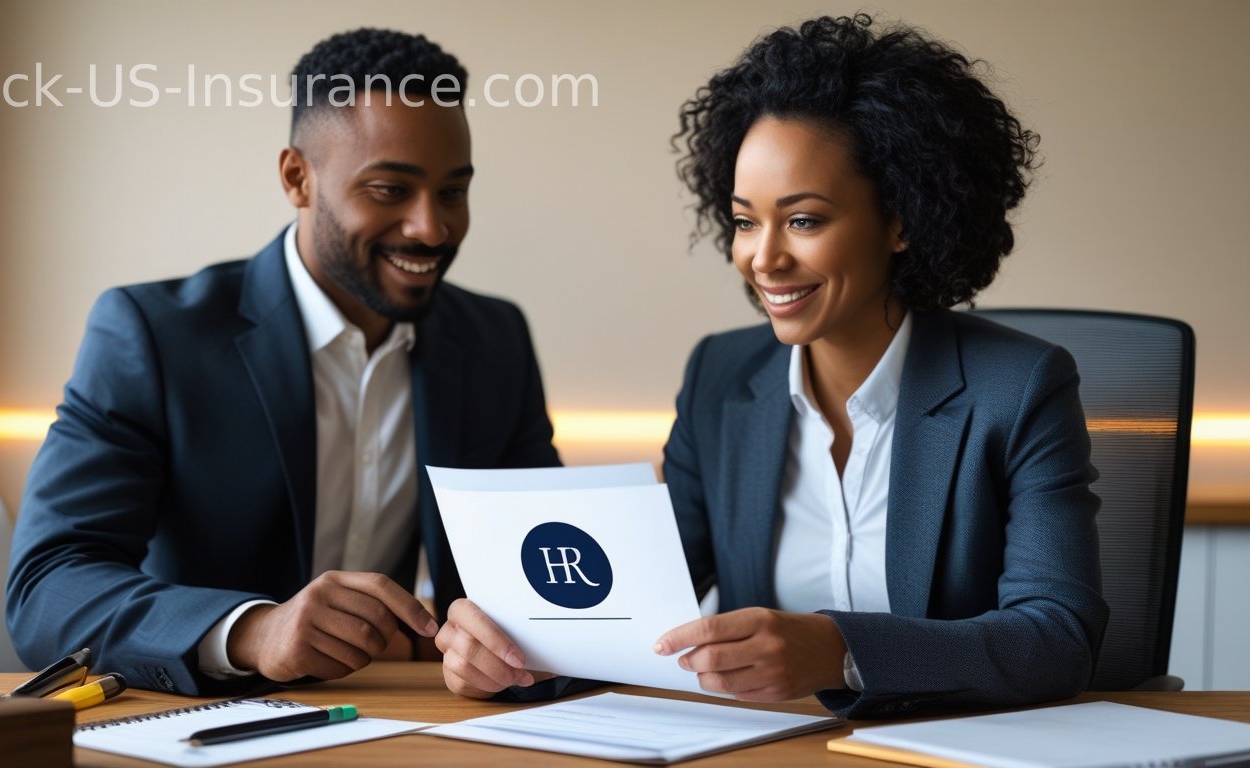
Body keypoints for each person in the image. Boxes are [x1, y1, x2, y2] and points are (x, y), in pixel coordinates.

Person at [436, 14, 1107, 718]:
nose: (764, 258)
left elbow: (1057, 637)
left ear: (902, 220)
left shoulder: (1019, 387)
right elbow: (635, 614)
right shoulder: (720, 379)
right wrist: (512, 659)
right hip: (767, 749)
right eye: (745, 221)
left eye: (804, 220)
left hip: (952, 751)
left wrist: (841, 651)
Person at [6, 28, 560, 696]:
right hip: (198, 720)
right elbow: (48, 586)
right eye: (390, 190)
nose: (431, 228)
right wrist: (252, 630)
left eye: (452, 193)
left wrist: (513, 646)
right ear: (298, 178)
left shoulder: (494, 341)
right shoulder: (152, 335)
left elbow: (543, 576)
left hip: (409, 713)